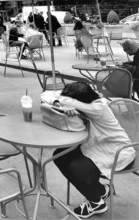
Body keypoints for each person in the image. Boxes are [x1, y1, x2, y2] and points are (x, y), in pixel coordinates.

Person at [50, 81, 135, 219]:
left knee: (77, 169)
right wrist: (59, 104)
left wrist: (64, 103)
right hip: (97, 147)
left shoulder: (97, 108)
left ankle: (96, 203)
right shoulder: (88, 104)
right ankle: (101, 190)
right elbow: (49, 95)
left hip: (119, 152)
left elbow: (63, 98)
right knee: (59, 155)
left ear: (80, 100)